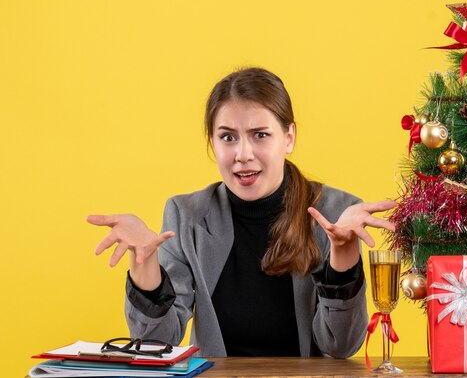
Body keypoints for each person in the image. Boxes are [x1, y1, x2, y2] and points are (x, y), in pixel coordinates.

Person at [87, 67, 396, 358]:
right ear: (212, 141)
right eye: (228, 137)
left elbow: (340, 347)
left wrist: (342, 259)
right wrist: (146, 269)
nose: (243, 155)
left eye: (260, 134)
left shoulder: (334, 212)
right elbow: (159, 342)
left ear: (288, 138)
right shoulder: (186, 215)